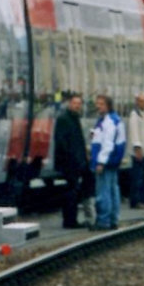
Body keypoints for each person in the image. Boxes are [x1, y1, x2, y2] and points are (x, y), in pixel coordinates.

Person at [89, 94, 126, 230]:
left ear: (108, 105)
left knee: (103, 191)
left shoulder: (109, 121)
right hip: (112, 161)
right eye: (97, 103)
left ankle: (103, 220)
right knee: (112, 190)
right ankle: (113, 219)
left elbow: (108, 144)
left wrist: (101, 162)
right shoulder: (112, 120)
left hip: (106, 161)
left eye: (101, 104)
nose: (98, 106)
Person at [54, 92, 90, 229]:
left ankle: (71, 219)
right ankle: (69, 221)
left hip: (75, 162)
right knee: (71, 192)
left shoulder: (74, 118)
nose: (77, 106)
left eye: (79, 104)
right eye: (75, 103)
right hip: (69, 163)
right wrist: (72, 158)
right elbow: (62, 141)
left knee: (74, 192)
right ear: (70, 104)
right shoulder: (64, 119)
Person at [127, 94, 144, 209]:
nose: (143, 103)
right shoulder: (135, 115)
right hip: (139, 152)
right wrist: (137, 148)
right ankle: (136, 200)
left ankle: (143, 200)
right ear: (137, 102)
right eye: (141, 101)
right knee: (138, 177)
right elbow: (134, 132)